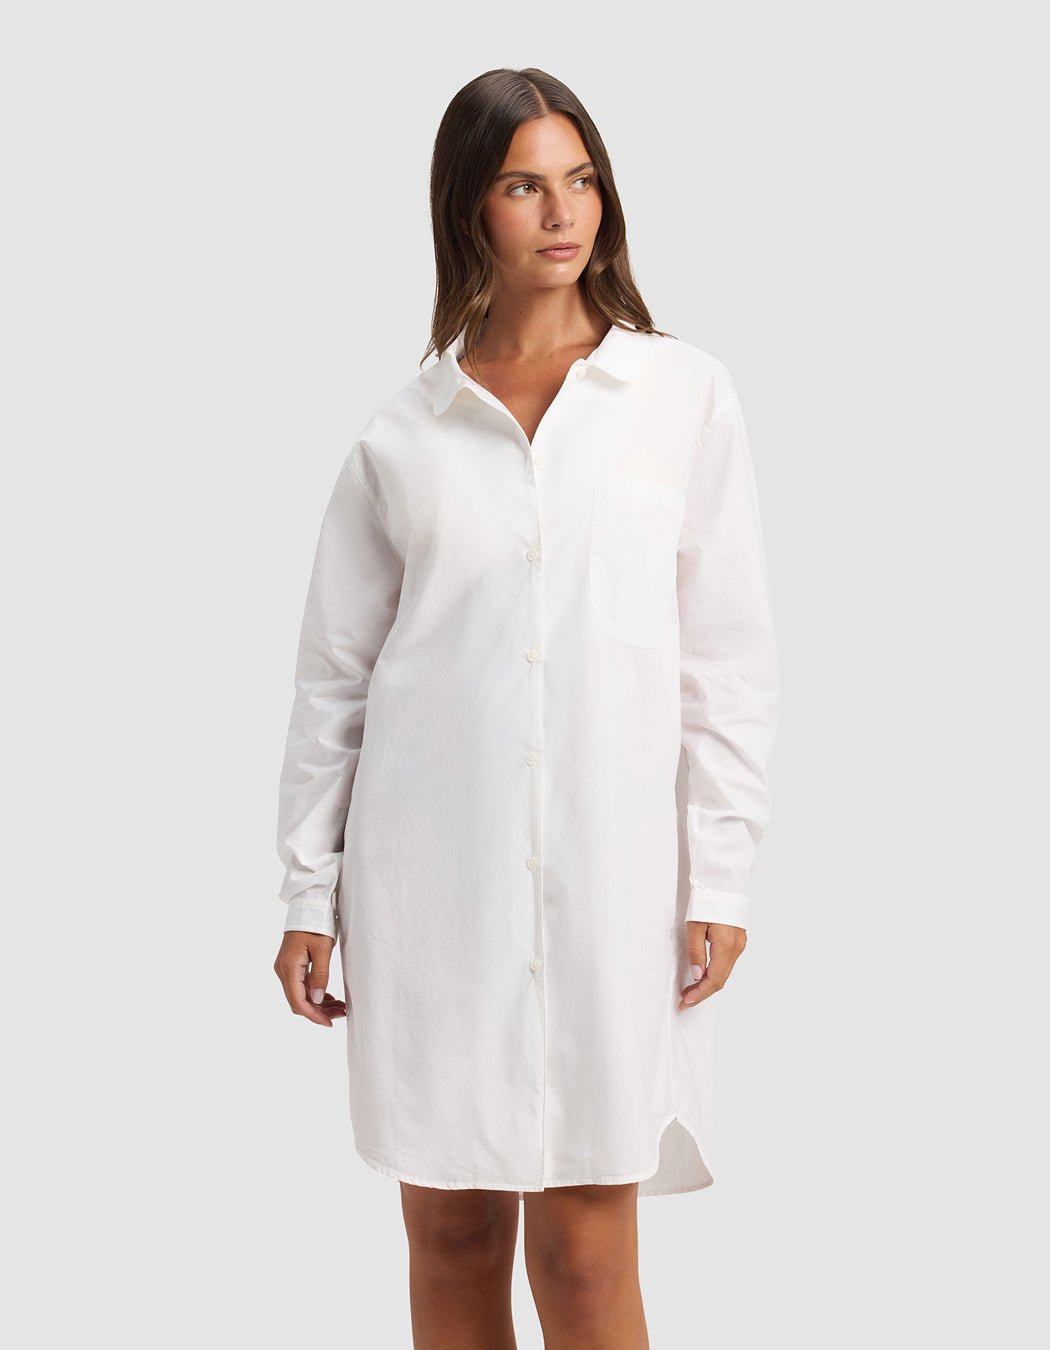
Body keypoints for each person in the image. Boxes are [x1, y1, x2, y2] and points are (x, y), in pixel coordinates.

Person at [273, 67, 780, 1350]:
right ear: (469, 210)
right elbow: (337, 677)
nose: (562, 213)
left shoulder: (682, 397)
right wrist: (306, 896)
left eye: (580, 180)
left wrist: (720, 874)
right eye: (522, 185)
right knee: (449, 1235)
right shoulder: (404, 434)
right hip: (431, 890)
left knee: (587, 1250)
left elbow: (726, 660)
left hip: (614, 888)